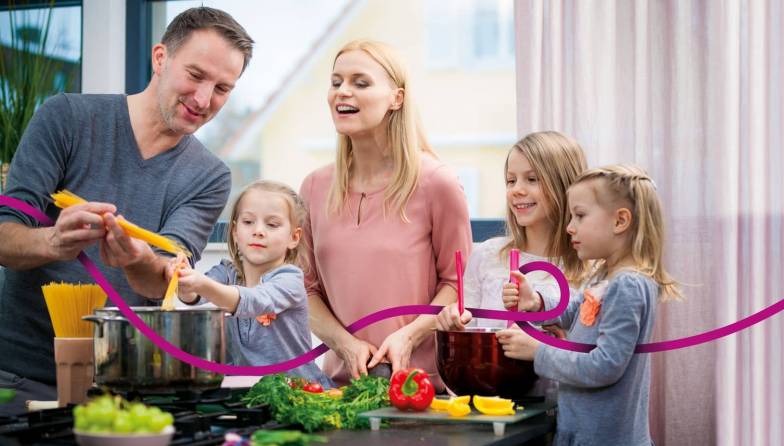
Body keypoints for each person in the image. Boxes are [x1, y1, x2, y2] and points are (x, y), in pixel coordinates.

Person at [0, 7, 253, 415]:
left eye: (223, 88)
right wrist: (53, 241)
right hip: (17, 377)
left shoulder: (209, 176)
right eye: (196, 75)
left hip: (124, 390)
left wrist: (138, 259)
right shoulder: (66, 118)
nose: (204, 99)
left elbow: (167, 279)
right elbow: (4, 234)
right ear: (159, 58)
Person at [301, 39, 472, 388]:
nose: (342, 92)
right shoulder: (314, 188)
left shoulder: (437, 182)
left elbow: (459, 283)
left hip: (422, 389)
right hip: (338, 389)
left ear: (397, 98)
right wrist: (344, 344)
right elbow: (304, 290)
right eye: (336, 82)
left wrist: (409, 336)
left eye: (360, 83)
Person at [496, 164, 681, 446]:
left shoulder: (628, 285)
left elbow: (605, 366)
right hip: (582, 438)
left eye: (579, 216)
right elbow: (574, 310)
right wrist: (535, 302)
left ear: (620, 221)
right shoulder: (604, 276)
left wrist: (537, 352)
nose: (569, 227)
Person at [167, 181, 329, 385]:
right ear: (235, 232)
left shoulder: (290, 279)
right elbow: (195, 296)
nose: (258, 231)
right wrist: (185, 281)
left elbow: (255, 300)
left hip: (302, 393)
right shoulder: (226, 272)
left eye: (272, 224)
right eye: (248, 222)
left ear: (294, 237)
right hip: (250, 394)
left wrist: (200, 284)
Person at [435, 131, 588, 332]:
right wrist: (453, 324)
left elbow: (593, 356)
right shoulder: (486, 256)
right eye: (511, 181)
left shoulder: (593, 272)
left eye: (532, 179)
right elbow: (468, 331)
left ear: (564, 185)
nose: (516, 190)